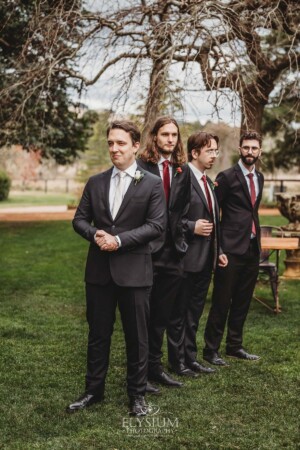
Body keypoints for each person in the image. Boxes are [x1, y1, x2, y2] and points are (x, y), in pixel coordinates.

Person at [67, 120, 166, 416]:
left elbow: (157, 225)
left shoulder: (151, 183)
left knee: (137, 337)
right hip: (98, 272)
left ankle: (136, 396)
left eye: (120, 143)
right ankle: (93, 391)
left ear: (135, 145)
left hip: (135, 274)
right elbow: (79, 220)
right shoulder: (96, 182)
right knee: (98, 335)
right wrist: (95, 234)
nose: (114, 148)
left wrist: (120, 240)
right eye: (110, 143)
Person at [167, 132, 228, 375]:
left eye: (215, 150)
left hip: (206, 261)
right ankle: (176, 362)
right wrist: (192, 226)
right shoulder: (181, 177)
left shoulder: (208, 182)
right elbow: (170, 219)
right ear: (195, 152)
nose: (214, 155)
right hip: (185, 259)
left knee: (194, 314)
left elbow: (215, 221)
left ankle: (190, 358)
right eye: (210, 150)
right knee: (178, 314)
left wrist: (219, 250)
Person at [138, 116, 191, 388]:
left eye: (174, 134)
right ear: (155, 137)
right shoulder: (139, 167)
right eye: (165, 134)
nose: (170, 139)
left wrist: (181, 239)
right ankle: (140, 372)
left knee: (161, 315)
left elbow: (183, 211)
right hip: (146, 252)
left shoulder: (182, 170)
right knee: (142, 316)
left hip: (173, 254)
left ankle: (155, 368)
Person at [203, 130, 264, 365]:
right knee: (221, 300)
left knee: (243, 300)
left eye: (254, 148)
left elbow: (252, 211)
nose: (250, 152)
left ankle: (234, 346)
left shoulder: (260, 178)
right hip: (229, 249)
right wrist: (218, 249)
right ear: (240, 149)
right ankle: (211, 350)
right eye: (246, 147)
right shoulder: (226, 177)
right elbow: (214, 213)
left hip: (252, 249)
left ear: (260, 151)